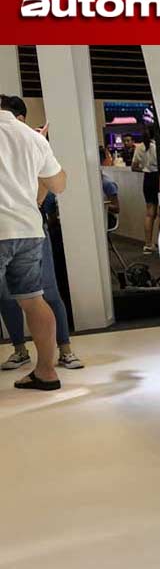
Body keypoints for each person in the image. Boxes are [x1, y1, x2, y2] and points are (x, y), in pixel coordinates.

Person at [0, 94, 68, 390]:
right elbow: (59, 184)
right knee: (33, 300)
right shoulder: (32, 137)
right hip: (28, 230)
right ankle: (46, 372)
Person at [131, 129, 160, 253]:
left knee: (149, 213)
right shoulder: (158, 147)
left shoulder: (139, 147)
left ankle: (148, 244)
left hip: (147, 180)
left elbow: (134, 167)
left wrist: (144, 169)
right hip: (158, 178)